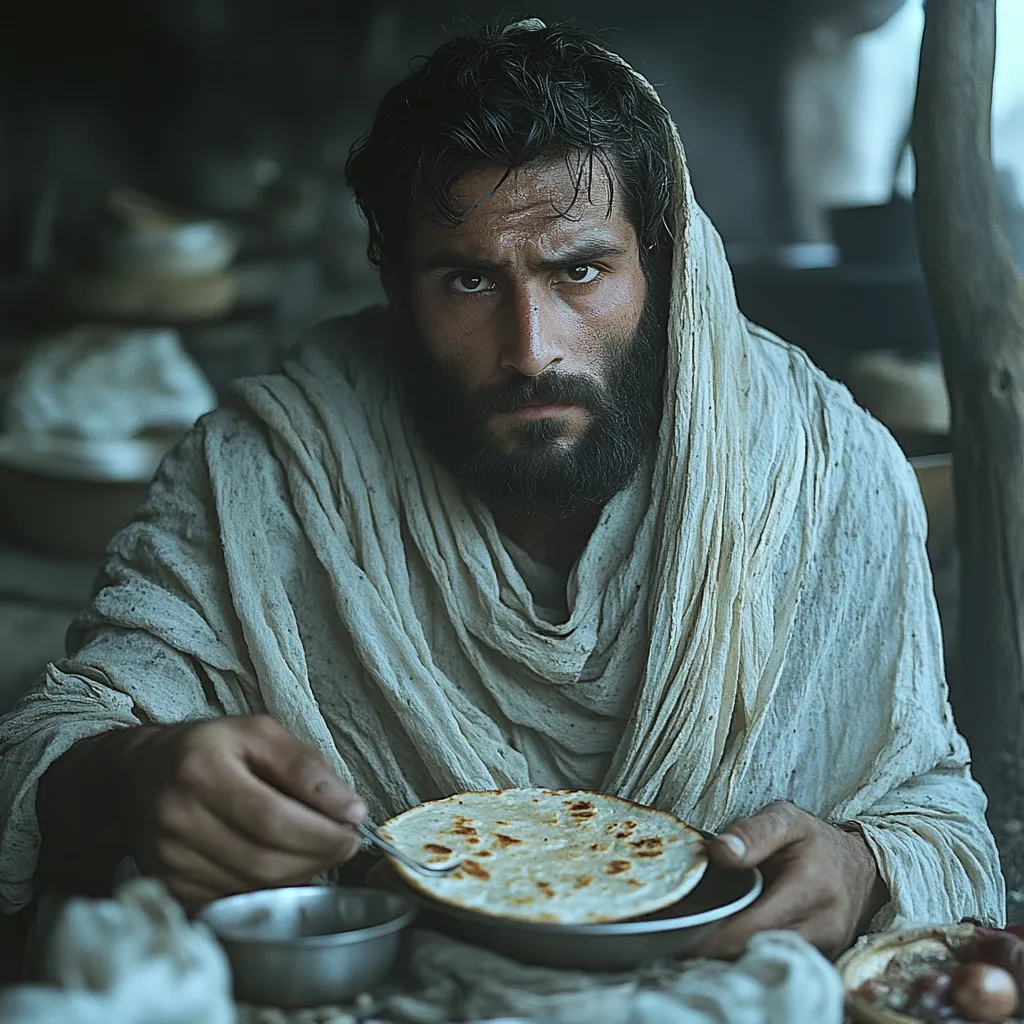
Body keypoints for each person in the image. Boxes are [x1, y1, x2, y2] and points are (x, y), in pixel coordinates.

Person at [0, 21, 1004, 960]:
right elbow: (49, 747)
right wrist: (129, 781)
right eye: (469, 283)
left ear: (665, 264)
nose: (533, 350)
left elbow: (939, 819)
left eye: (579, 272)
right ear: (394, 287)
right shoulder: (263, 473)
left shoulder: (826, 471)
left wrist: (865, 868)